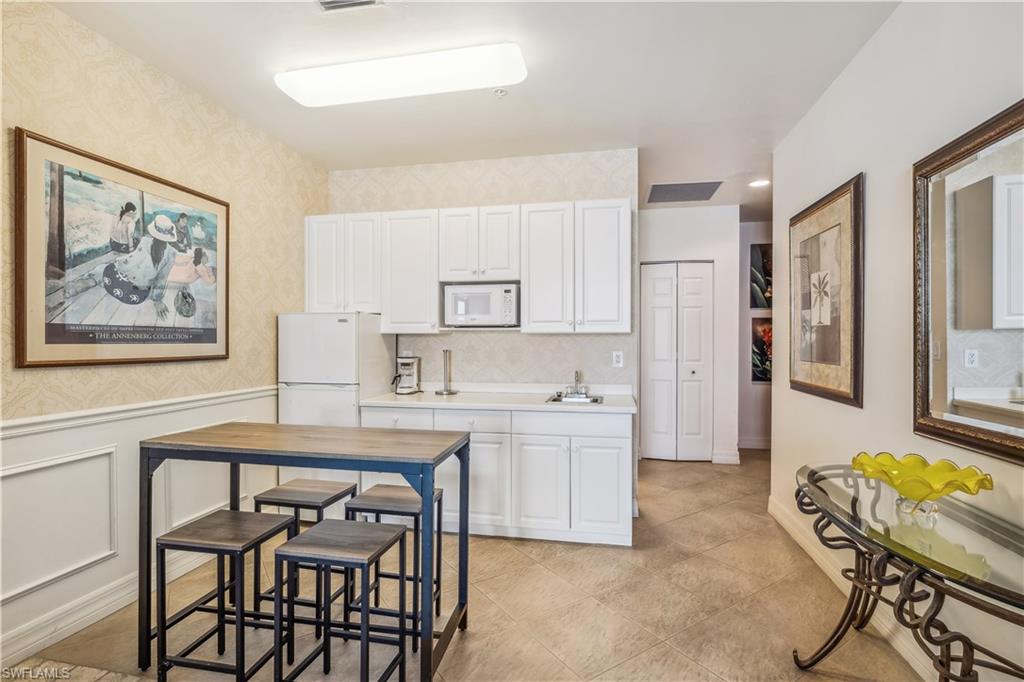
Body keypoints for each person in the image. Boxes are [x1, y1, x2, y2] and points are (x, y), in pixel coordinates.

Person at [101, 214, 187, 320]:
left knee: (108, 270)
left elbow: (131, 261)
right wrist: (157, 300)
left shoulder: (146, 241)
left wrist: (117, 262)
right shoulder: (171, 253)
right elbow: (161, 279)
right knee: (113, 269)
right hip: (136, 295)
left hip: (118, 283)